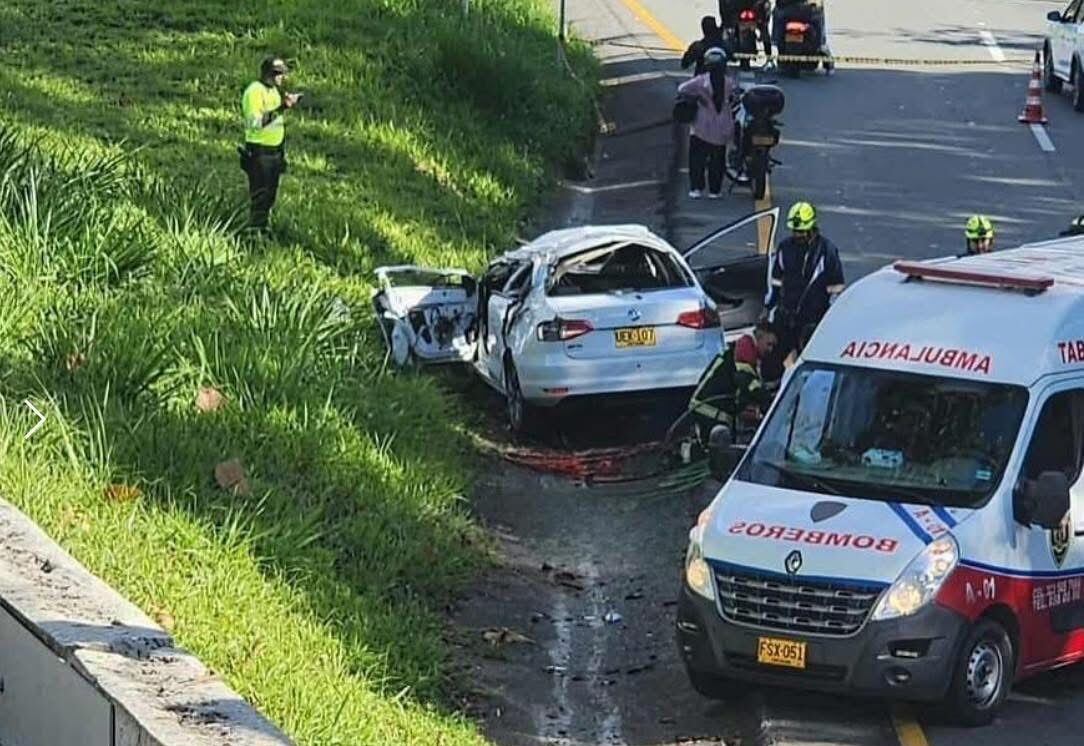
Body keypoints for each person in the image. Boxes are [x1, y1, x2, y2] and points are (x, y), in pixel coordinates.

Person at [764, 201, 845, 374]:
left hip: (812, 319)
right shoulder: (785, 248)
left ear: (812, 228)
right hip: (786, 316)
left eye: (801, 231)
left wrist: (828, 318)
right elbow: (776, 281)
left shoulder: (826, 250)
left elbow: (836, 286)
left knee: (810, 366)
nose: (797, 234)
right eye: (794, 231)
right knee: (772, 363)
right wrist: (769, 308)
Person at [241, 56, 302, 233]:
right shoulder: (254, 92)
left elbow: (276, 124)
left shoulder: (274, 92)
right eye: (278, 74)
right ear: (268, 74)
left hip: (274, 152)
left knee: (269, 197)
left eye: (283, 73)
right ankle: (253, 234)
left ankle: (262, 230)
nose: (281, 77)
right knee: (259, 198)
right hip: (259, 153)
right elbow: (255, 123)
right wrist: (283, 107)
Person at [688, 320, 779, 437]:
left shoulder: (747, 352)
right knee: (715, 450)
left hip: (709, 410)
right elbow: (746, 381)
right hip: (708, 410)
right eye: (769, 344)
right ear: (759, 336)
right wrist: (768, 401)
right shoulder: (745, 349)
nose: (770, 350)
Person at [677, 47, 735, 200]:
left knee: (697, 159)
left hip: (701, 126)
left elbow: (682, 89)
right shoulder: (729, 83)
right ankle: (714, 190)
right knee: (718, 160)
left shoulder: (700, 81)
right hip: (722, 126)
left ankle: (696, 187)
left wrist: (697, 99)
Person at [773, 0, 833, 73]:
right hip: (805, 12)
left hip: (788, 12)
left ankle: (776, 40)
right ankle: (821, 44)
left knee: (777, 15)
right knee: (818, 17)